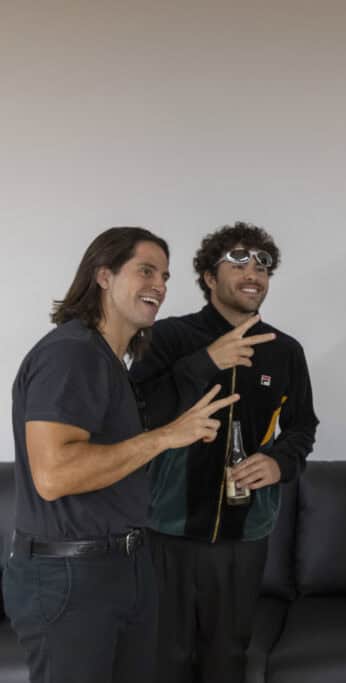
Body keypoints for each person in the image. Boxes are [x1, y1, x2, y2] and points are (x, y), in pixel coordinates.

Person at [3, 227, 238, 683]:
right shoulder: (71, 354)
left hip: (122, 564)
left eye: (165, 277)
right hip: (71, 576)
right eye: (146, 271)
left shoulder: (107, 360)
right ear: (104, 275)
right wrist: (165, 437)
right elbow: (54, 474)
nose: (160, 286)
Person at [131, 222, 319, 683]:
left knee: (227, 658)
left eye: (262, 265)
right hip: (168, 529)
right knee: (164, 658)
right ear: (209, 277)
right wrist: (206, 362)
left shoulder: (285, 351)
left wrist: (279, 462)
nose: (253, 272)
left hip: (244, 533)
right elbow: (137, 413)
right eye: (238, 262)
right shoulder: (168, 337)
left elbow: (302, 427)